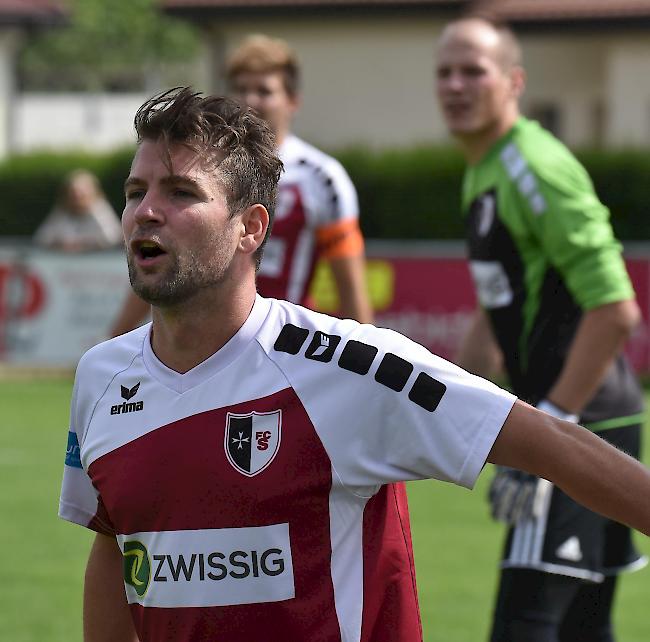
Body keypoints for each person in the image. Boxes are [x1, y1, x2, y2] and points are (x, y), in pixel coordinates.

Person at [58, 87, 650, 642]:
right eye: (136, 192)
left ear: (251, 227)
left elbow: (554, 444)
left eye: (181, 193)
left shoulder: (351, 367)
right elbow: (117, 541)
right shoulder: (101, 378)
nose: (145, 212)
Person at [435, 17, 646, 642]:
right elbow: (494, 314)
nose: (455, 84)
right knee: (583, 628)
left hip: (581, 423)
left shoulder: (535, 166)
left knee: (522, 627)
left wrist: (549, 431)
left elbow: (615, 309)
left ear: (513, 82)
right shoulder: (485, 169)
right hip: (581, 421)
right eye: (444, 71)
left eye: (473, 70)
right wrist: (436, 403)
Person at [108, 34, 372, 337]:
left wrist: (364, 361)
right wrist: (115, 339)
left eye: (264, 90)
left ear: (292, 101)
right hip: (205, 343)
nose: (250, 100)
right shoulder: (197, 166)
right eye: (241, 89)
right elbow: (166, 260)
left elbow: (351, 286)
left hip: (282, 347)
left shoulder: (322, 177)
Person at [34, 169, 122, 251]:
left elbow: (112, 238)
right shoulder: (62, 211)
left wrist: (85, 244)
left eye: (82, 195)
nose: (77, 199)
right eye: (73, 194)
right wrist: (62, 244)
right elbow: (42, 238)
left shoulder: (101, 210)